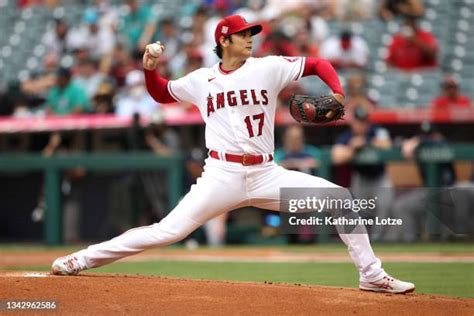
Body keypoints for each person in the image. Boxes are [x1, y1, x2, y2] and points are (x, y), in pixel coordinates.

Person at [51, 14, 414, 294]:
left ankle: (372, 276)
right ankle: (81, 258)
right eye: (243, 34)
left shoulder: (268, 67)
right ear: (224, 39)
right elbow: (162, 94)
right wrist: (150, 70)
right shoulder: (200, 79)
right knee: (167, 231)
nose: (250, 39)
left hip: (267, 174)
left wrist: (336, 93)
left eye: (251, 34)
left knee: (341, 200)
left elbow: (317, 64)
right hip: (221, 175)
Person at [331, 106, 394, 240]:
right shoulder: (347, 136)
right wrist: (353, 148)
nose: (361, 125)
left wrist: (366, 142)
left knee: (385, 207)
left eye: (364, 122)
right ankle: (363, 241)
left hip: (380, 177)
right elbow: (337, 157)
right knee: (357, 212)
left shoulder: (376, 131)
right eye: (358, 121)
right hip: (360, 178)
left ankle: (378, 241)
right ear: (353, 122)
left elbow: (387, 145)